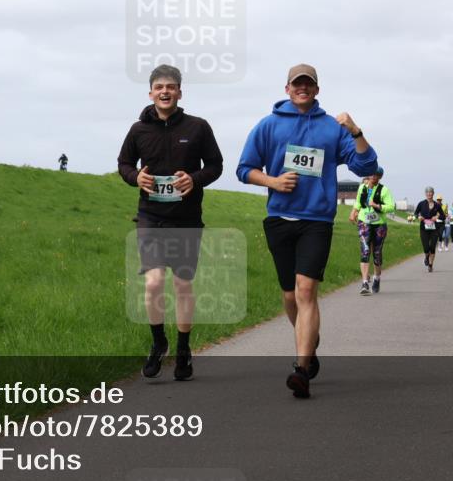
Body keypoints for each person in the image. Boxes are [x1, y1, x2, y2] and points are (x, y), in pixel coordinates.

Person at [237, 63, 377, 398]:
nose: (303, 88)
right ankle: (309, 343)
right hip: (279, 219)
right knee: (290, 296)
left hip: (317, 221)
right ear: (287, 89)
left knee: (305, 291)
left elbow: (367, 166)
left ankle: (301, 370)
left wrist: (356, 131)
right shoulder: (268, 125)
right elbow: (244, 169)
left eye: (308, 84)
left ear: (316, 89)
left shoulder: (332, 128)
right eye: (296, 84)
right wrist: (272, 181)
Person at [118, 64, 223, 381]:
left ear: (180, 92)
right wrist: (136, 177)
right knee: (153, 283)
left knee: (182, 284)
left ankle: (183, 348)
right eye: (159, 87)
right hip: (150, 217)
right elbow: (124, 164)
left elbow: (215, 165)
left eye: (171, 87)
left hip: (186, 218)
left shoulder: (198, 127)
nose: (165, 91)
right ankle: (158, 342)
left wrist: (194, 179)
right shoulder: (138, 130)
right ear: (151, 93)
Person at [348, 168, 395, 295]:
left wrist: (376, 205)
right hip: (364, 222)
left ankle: (377, 278)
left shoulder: (384, 190)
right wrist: (353, 212)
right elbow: (358, 202)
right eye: (373, 174)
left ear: (380, 177)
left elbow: (391, 207)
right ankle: (364, 283)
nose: (374, 177)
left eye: (377, 175)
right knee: (365, 250)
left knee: (377, 253)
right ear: (368, 175)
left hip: (379, 224)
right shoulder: (362, 188)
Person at [414, 186, 445, 271]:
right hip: (423, 228)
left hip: (434, 229)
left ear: (433, 193)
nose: (429, 194)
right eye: (427, 192)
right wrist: (419, 216)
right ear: (425, 194)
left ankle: (430, 265)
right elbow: (416, 213)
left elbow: (443, 216)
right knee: (426, 248)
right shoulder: (421, 204)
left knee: (432, 247)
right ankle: (427, 257)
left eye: (430, 192)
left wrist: (437, 217)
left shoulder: (437, 205)